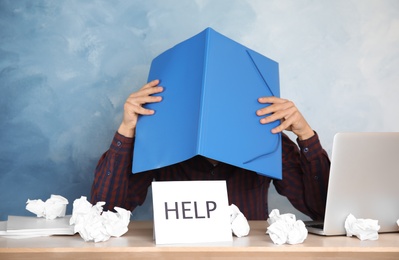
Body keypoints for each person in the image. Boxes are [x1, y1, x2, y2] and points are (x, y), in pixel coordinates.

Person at [90, 79, 330, 220]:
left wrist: (306, 135)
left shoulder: (268, 141)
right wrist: (126, 131)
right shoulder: (160, 140)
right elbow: (105, 214)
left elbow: (321, 210)